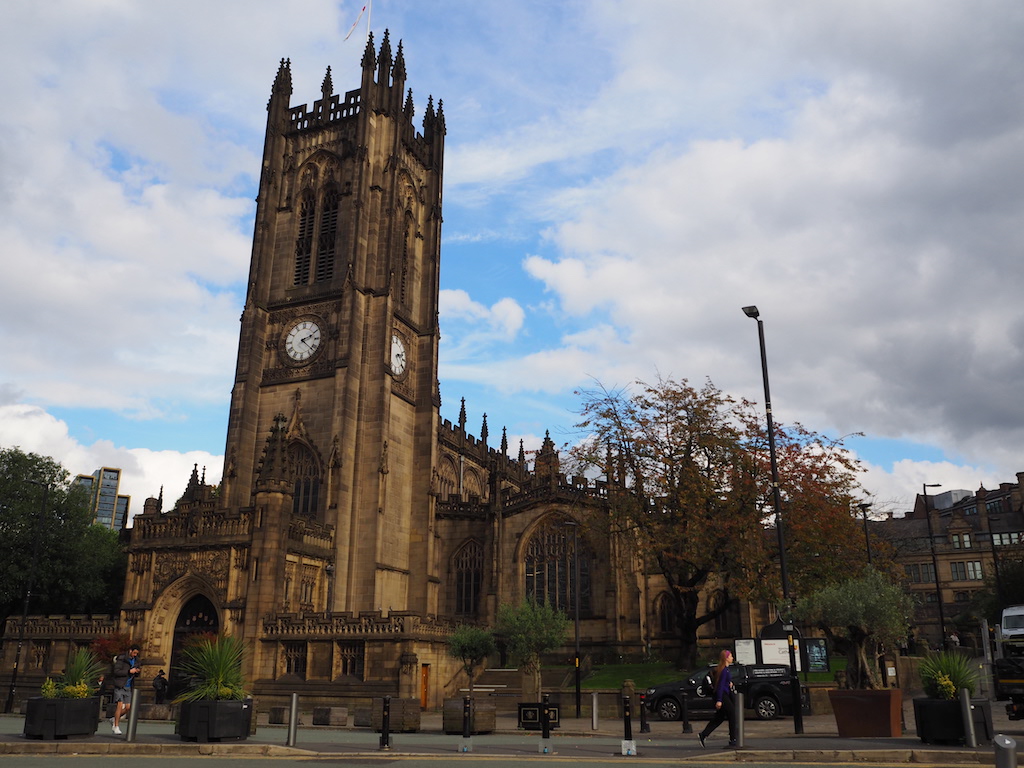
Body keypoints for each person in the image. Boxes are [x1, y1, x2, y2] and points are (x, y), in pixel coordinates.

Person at [698, 649, 737, 749]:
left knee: (719, 717)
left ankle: (703, 734)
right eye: (731, 656)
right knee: (732, 714)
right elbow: (719, 686)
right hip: (722, 695)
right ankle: (733, 740)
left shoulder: (725, 669)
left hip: (725, 694)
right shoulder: (723, 670)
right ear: (726, 658)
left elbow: (724, 683)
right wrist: (719, 700)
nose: (732, 658)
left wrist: (729, 683)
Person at [110, 644, 141, 735]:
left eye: (137, 653)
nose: (135, 654)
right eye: (134, 652)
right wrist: (128, 671)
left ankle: (114, 718)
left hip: (128, 686)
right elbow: (116, 671)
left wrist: (137, 671)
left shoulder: (137, 661)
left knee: (128, 707)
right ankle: (116, 726)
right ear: (130, 650)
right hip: (120, 685)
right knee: (119, 705)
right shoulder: (122, 659)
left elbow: (137, 674)